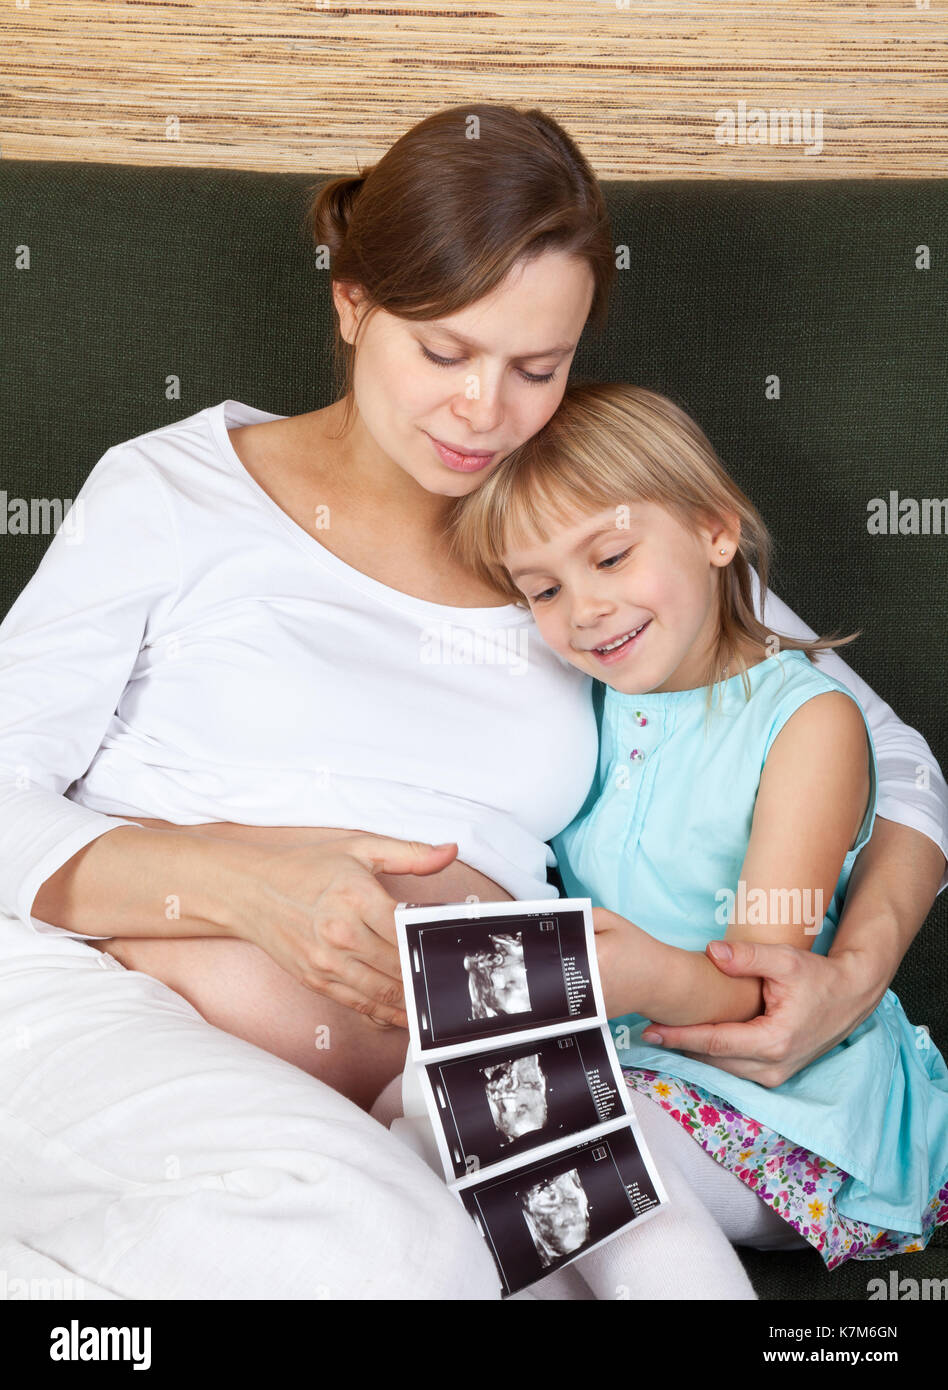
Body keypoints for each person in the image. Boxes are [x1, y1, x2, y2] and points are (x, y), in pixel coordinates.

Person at [0, 103, 944, 1301]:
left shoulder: (592, 542)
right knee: (397, 1260)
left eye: (536, 368)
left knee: (463, 1251)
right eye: (444, 353)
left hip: (432, 1093)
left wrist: (847, 977)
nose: (483, 413)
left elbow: (886, 750)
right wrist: (240, 883)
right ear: (351, 304)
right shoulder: (170, 492)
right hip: (96, 1006)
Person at [449, 380, 948, 1284]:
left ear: (717, 533)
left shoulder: (806, 724)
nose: (583, 610)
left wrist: (643, 977)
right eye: (545, 589)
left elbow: (768, 994)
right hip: (630, 1069)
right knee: (443, 1137)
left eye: (611, 557)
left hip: (785, 1101)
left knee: (578, 1149)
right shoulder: (587, 708)